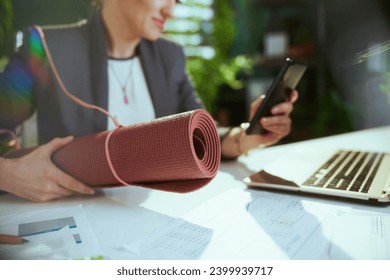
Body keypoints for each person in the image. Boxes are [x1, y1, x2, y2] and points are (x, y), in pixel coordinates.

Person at [0, 0, 298, 202]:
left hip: (155, 218)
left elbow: (205, 139)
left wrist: (249, 136)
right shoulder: (44, 47)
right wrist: (8, 174)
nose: (170, 10)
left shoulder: (169, 57)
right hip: (74, 221)